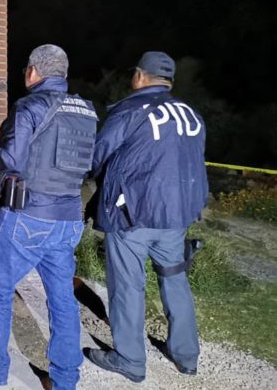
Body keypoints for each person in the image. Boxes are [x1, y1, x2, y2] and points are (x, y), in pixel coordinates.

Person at [0, 44, 98, 390]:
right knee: (61, 299)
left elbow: (10, 159)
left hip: (29, 217)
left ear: (33, 71)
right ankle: (65, 380)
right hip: (69, 218)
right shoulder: (86, 110)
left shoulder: (30, 105)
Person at [84, 51, 208, 383]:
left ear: (140, 77)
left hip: (133, 214)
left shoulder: (130, 110)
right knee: (174, 278)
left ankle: (130, 359)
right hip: (176, 215)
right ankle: (186, 355)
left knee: (127, 284)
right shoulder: (191, 114)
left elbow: (98, 155)